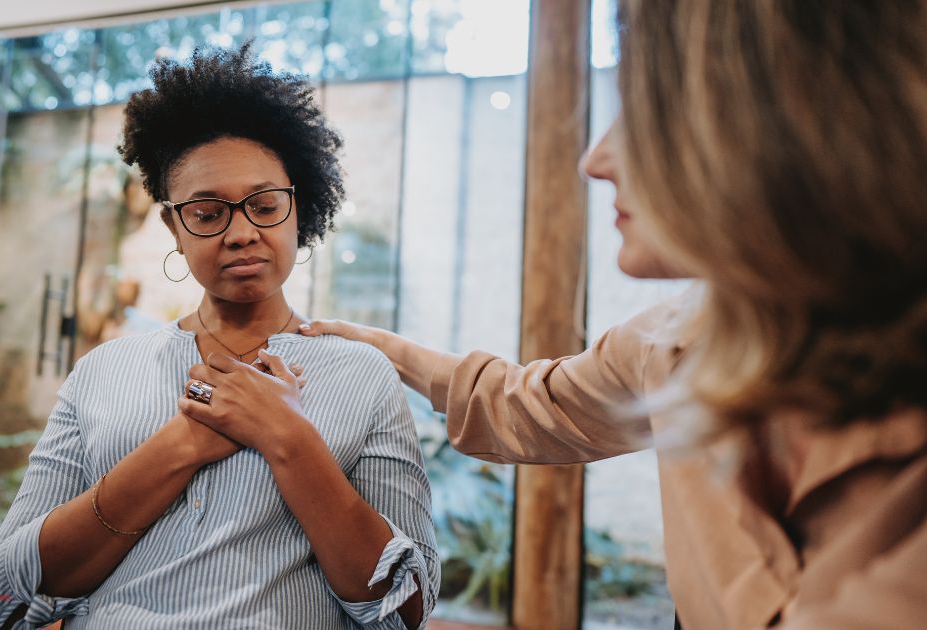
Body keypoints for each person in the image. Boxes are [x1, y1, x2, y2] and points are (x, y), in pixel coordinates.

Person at [302, 1, 927, 628]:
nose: (594, 160)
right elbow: (530, 405)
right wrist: (381, 349)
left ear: (780, 128)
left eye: (645, 117)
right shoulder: (669, 342)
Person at [0, 44, 438, 630]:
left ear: (300, 209)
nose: (242, 232)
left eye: (265, 204)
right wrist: (182, 445)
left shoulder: (362, 374)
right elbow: (4, 593)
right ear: (174, 225)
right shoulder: (105, 370)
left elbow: (407, 606)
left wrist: (288, 439)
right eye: (206, 214)